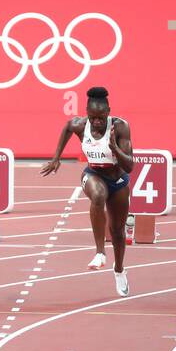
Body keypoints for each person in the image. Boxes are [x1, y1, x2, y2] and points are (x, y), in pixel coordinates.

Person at [41, 86, 134, 296]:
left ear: (109, 112)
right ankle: (100, 253)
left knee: (118, 232)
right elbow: (67, 127)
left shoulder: (120, 128)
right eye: (93, 118)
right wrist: (56, 158)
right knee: (99, 195)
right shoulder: (80, 125)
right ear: (87, 114)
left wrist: (115, 148)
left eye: (101, 117)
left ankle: (119, 270)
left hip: (118, 179)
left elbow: (130, 166)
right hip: (93, 175)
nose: (98, 122)